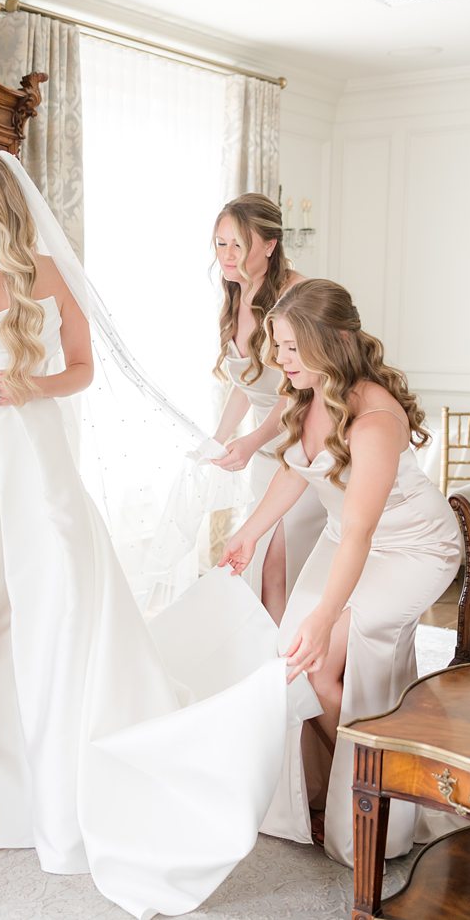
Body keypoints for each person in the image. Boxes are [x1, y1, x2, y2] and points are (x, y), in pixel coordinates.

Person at [0, 152, 315, 919]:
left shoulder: (44, 274)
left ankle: (58, 777)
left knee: (56, 612)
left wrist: (24, 384)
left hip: (31, 454)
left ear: (2, 204)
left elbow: (80, 368)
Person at [219, 278, 463, 866]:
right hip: (345, 535)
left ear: (334, 342)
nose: (280, 359)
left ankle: (375, 795)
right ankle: (331, 784)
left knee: (321, 659)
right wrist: (250, 533)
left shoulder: (375, 419)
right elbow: (294, 470)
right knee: (291, 660)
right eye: (277, 345)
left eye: (293, 348)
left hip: (411, 547)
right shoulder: (308, 390)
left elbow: (363, 533)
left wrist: (327, 613)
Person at [209, 194, 325, 623]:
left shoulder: (298, 293)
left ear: (270, 245)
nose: (227, 255)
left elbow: (296, 388)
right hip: (263, 455)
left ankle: (285, 671)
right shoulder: (235, 295)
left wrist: (254, 438)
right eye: (220, 244)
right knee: (261, 567)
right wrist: (220, 437)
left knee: (281, 561)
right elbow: (248, 383)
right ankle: (269, 666)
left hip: (304, 445)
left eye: (238, 244)